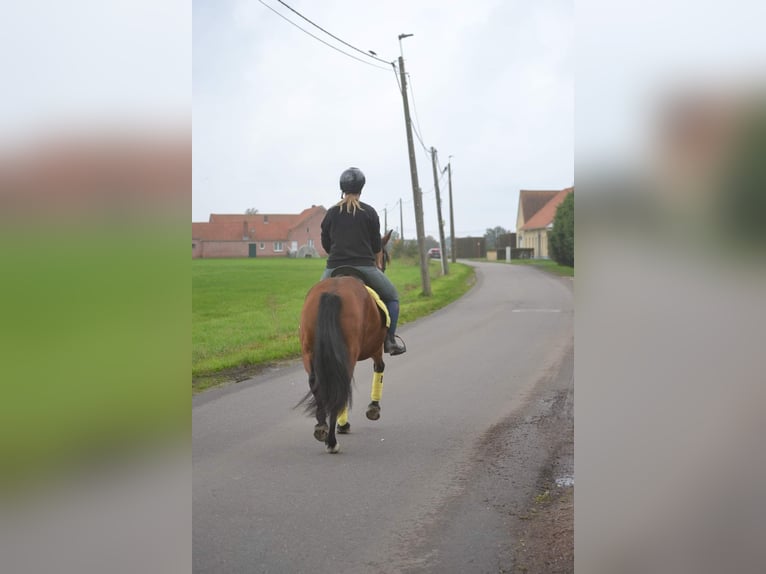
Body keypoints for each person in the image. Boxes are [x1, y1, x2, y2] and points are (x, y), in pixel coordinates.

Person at [320, 167, 407, 355]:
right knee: (392, 297)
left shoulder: (331, 213)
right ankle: (390, 341)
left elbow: (326, 244)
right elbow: (377, 245)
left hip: (334, 267)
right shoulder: (369, 212)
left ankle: (311, 337)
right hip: (364, 267)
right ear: (361, 188)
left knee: (318, 300)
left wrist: (337, 253)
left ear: (342, 188)